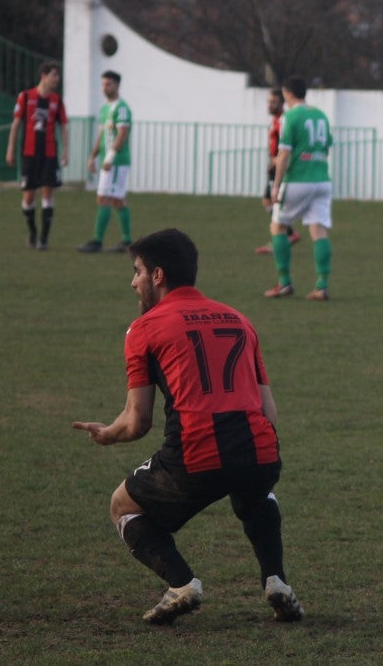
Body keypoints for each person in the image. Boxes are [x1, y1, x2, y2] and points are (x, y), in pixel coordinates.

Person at [71, 228, 304, 625]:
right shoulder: (239, 320)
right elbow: (269, 411)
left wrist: (107, 433)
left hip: (196, 452)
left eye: (137, 271)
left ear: (157, 275)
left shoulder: (144, 328)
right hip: (260, 448)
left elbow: (137, 421)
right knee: (255, 489)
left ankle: (182, 585)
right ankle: (276, 580)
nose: (133, 282)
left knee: (122, 505)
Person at [264, 76, 333, 300]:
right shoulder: (321, 115)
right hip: (322, 180)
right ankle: (321, 286)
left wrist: (276, 186)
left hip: (297, 180)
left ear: (287, 93)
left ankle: (284, 282)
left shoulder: (290, 116)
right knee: (319, 231)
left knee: (278, 227)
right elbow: (327, 147)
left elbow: (284, 152)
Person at [6, 61, 68, 250]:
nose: (57, 79)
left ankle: (44, 238)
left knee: (47, 193)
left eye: (58, 75)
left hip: (49, 154)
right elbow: (16, 125)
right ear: (44, 76)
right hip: (29, 154)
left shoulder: (57, 101)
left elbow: (63, 127)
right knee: (28, 197)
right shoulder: (25, 97)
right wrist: (10, 149)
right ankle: (32, 231)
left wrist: (65, 151)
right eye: (54, 75)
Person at [78, 71, 133, 253]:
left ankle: (97, 241)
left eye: (108, 84)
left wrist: (110, 157)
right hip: (109, 161)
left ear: (117, 85)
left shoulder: (122, 108)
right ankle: (127, 242)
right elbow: (102, 135)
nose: (105, 88)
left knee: (104, 198)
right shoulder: (104, 109)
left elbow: (122, 134)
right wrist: (92, 156)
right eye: (103, 84)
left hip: (117, 161)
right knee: (117, 200)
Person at [256, 88, 301, 255]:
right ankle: (287, 233)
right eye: (269, 102)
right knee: (268, 201)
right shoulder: (276, 120)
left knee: (273, 203)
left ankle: (284, 235)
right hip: (274, 166)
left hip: (280, 168)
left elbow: (288, 146)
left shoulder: (283, 121)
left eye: (274, 102)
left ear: (282, 104)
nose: (270, 105)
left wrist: (276, 161)